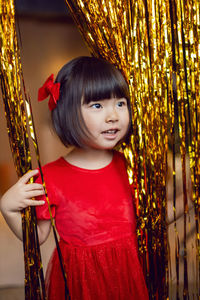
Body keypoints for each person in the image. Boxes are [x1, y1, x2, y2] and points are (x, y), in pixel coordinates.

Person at [0, 56, 149, 300]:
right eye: (97, 106)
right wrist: (7, 208)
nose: (113, 115)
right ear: (68, 113)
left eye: (121, 103)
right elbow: (37, 238)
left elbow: (149, 220)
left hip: (130, 274)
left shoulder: (130, 165)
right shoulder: (50, 176)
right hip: (80, 281)